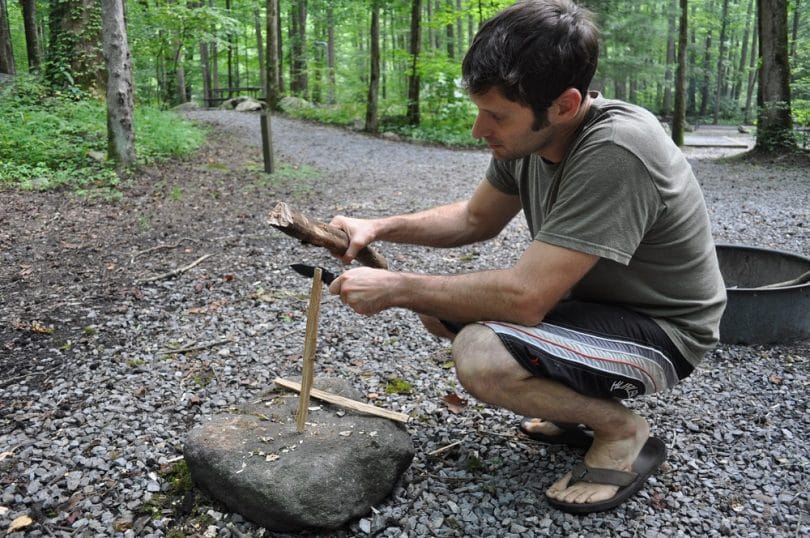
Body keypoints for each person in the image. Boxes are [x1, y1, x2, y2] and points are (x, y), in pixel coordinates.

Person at [327, 0, 726, 514]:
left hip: (666, 332)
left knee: (480, 355)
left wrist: (399, 287)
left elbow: (528, 297)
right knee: (440, 309)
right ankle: (577, 402)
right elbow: (474, 220)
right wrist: (377, 225)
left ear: (563, 104)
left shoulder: (617, 150)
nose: (478, 129)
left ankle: (622, 432)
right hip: (596, 311)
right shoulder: (534, 142)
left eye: (495, 115)